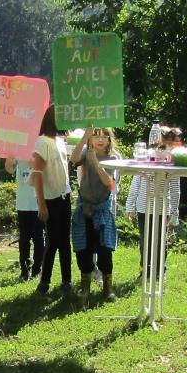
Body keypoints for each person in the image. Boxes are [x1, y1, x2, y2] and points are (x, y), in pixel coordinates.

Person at [69, 127, 121, 304]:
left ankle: (107, 289)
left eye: (104, 136)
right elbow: (74, 158)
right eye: (95, 135)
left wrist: (96, 163)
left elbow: (109, 183)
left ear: (109, 140)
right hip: (84, 210)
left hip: (102, 211)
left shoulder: (112, 158)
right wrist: (84, 136)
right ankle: (85, 288)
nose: (100, 139)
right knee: (83, 250)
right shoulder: (85, 153)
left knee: (104, 250)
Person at [126, 126, 182, 280]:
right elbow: (136, 183)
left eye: (169, 148)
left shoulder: (173, 167)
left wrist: (174, 212)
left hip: (162, 209)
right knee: (145, 241)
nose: (164, 151)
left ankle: (159, 270)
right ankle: (145, 269)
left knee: (160, 241)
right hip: (144, 208)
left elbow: (175, 190)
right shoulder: (145, 162)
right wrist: (130, 205)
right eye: (162, 147)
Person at [31, 106, 73, 297]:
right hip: (50, 200)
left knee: (65, 242)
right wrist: (41, 204)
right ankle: (44, 282)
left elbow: (63, 170)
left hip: (64, 197)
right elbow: (37, 174)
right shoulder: (42, 142)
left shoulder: (59, 141)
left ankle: (66, 281)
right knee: (53, 241)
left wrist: (68, 191)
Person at [4, 155, 44, 281]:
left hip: (39, 203)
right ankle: (24, 271)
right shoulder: (18, 150)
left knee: (38, 238)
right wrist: (9, 161)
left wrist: (34, 164)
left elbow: (47, 172)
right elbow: (10, 169)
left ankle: (37, 270)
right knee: (24, 238)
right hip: (23, 204)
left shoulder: (41, 148)